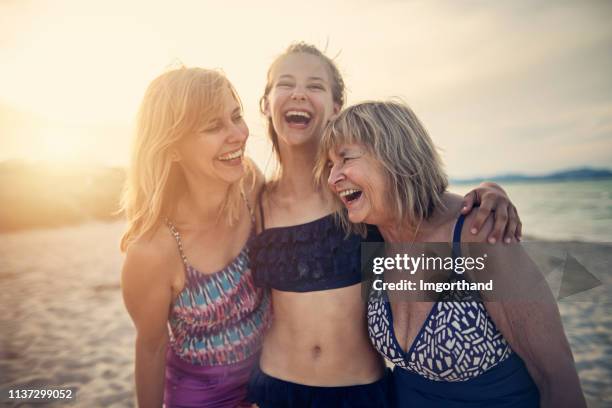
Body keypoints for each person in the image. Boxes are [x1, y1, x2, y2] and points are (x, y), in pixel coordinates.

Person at [247, 42, 522, 407]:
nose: (299, 92)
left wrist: (490, 191)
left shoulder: (361, 193)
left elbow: (430, 206)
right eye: (285, 83)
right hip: (275, 387)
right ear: (266, 103)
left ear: (335, 107)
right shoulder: (253, 197)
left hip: (360, 390)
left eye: (315, 85)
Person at [319, 100, 586, 407]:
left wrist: (491, 190)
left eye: (345, 159)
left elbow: (558, 379)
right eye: (330, 165)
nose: (332, 178)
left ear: (394, 155)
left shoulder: (478, 233)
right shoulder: (371, 238)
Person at [120, 67, 270, 408]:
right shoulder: (153, 251)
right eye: (213, 127)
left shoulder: (250, 184)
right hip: (202, 398)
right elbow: (151, 348)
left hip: (270, 384)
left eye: (236, 117)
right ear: (172, 148)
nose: (238, 134)